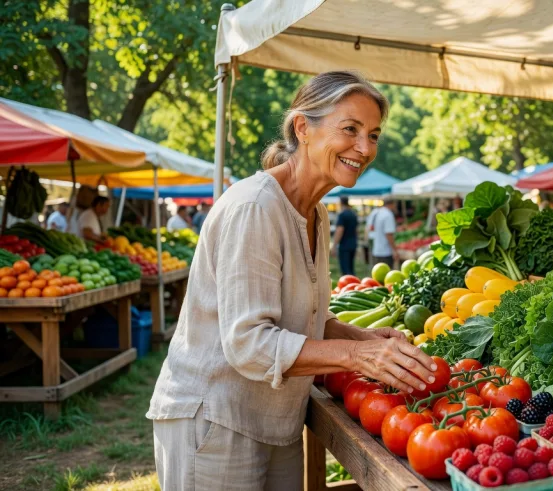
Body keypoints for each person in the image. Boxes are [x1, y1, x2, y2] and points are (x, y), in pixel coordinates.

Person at [147, 71, 436, 490]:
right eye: (350, 129)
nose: (365, 147)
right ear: (303, 127)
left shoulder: (314, 211)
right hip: (215, 419)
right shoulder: (256, 207)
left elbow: (303, 317)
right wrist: (357, 359)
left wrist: (364, 340)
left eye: (373, 134)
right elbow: (248, 342)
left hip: (273, 415)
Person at [331, 197, 358, 276]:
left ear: (341, 202)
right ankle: (354, 285)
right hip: (353, 243)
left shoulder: (342, 215)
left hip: (344, 245)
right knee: (351, 268)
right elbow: (356, 230)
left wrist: (334, 246)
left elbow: (340, 230)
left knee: (345, 270)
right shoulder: (353, 214)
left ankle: (348, 286)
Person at [370, 198, 398, 269]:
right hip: (385, 252)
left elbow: (370, 228)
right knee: (386, 276)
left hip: (376, 250)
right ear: (392, 204)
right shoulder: (388, 215)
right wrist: (394, 250)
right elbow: (389, 234)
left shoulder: (376, 213)